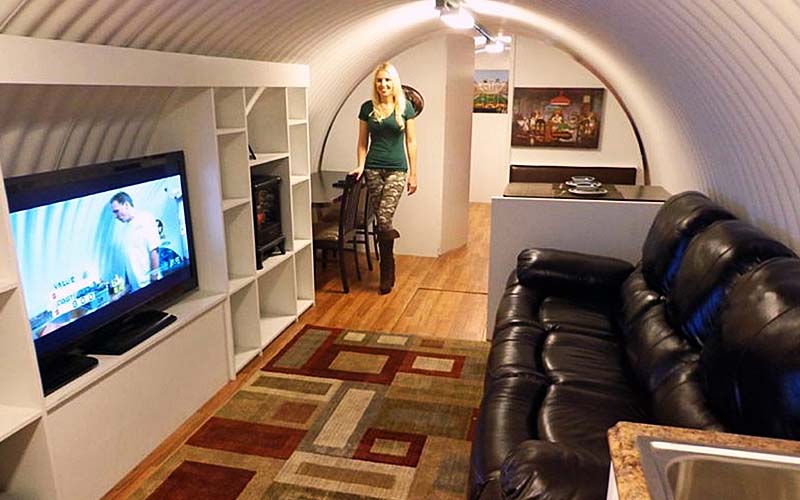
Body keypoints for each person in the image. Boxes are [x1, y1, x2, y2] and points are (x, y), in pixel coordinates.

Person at [350, 62, 417, 295]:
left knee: (384, 217)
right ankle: (387, 267)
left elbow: (411, 141)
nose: (383, 84)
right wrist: (360, 165)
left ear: (394, 82)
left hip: (397, 169)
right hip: (373, 169)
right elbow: (362, 142)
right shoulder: (367, 108)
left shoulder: (405, 108)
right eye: (379, 80)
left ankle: (387, 270)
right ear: (375, 84)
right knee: (381, 220)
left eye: (387, 80)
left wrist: (414, 174)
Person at [109, 192, 161, 291]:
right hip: (136, 287)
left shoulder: (146, 219)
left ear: (126, 205)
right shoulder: (124, 229)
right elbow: (129, 258)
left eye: (116, 211)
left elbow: (154, 251)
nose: (115, 216)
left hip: (149, 284)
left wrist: (154, 281)